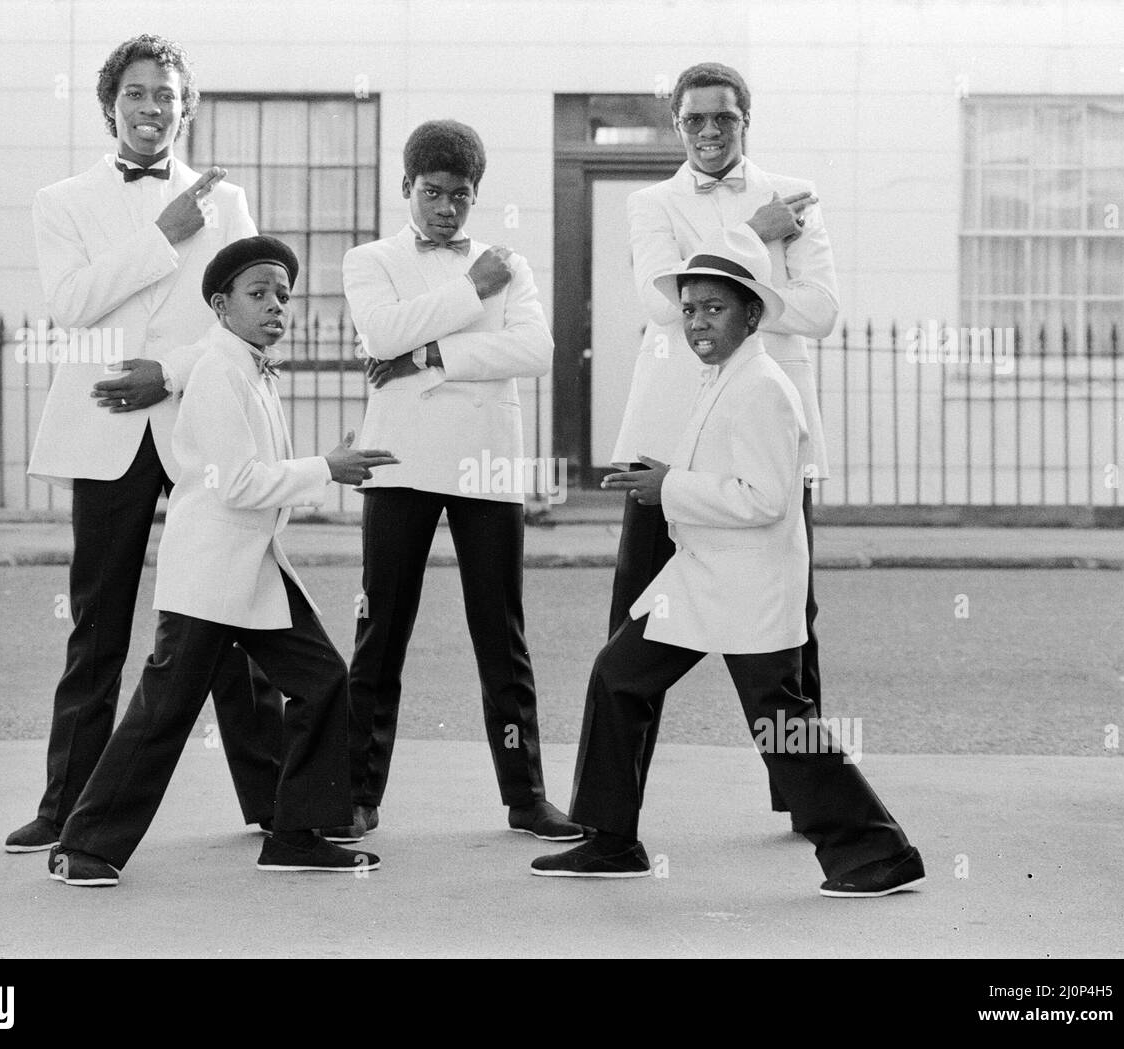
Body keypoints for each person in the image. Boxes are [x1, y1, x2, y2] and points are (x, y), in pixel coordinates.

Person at [533, 240, 923, 898]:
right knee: (618, 674)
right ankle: (609, 838)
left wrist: (670, 488)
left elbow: (767, 499)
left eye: (713, 308)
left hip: (748, 586)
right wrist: (668, 483)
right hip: (701, 581)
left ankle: (877, 850)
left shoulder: (764, 389)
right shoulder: (725, 379)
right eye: (688, 311)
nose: (696, 323)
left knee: (781, 724)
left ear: (751, 316)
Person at [5, 35, 286, 855]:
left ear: (184, 105)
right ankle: (66, 807)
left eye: (165, 94)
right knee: (98, 625)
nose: (151, 108)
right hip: (106, 434)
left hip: (199, 418)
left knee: (229, 606)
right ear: (110, 106)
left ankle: (271, 800)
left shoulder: (227, 201)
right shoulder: (62, 200)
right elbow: (71, 303)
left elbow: (242, 319)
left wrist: (168, 373)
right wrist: (164, 232)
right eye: (135, 94)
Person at [48, 236, 399, 886]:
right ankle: (84, 845)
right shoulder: (216, 370)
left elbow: (254, 474)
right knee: (165, 711)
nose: (275, 307)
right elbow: (236, 483)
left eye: (283, 296)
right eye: (258, 293)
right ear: (220, 303)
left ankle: (296, 832)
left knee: (323, 679)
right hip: (210, 574)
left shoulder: (248, 367)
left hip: (252, 569)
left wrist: (324, 463)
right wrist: (328, 467)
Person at [597, 61, 839, 820]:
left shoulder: (796, 194)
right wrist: (756, 241)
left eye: (723, 119)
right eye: (695, 120)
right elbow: (662, 301)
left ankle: (805, 800)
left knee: (787, 621)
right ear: (677, 124)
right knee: (636, 623)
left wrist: (728, 279)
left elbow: (822, 308)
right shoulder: (652, 202)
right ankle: (610, 815)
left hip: (762, 430)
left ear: (746, 121)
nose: (709, 133)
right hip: (662, 437)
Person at [328, 119, 580, 843]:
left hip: (488, 459)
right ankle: (358, 793)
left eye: (461, 196)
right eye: (432, 193)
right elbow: (380, 335)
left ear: (476, 196)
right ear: (407, 188)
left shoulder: (514, 264)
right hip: (400, 457)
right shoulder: (369, 259)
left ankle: (527, 795)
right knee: (382, 629)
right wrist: (473, 292)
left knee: (501, 634)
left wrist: (430, 352)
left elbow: (535, 348)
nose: (446, 208)